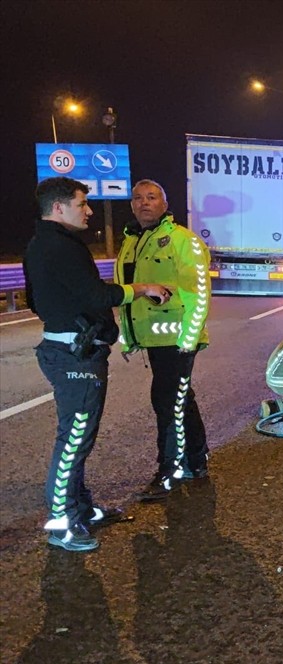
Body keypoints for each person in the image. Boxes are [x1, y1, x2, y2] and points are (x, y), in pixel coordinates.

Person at [24, 177, 172, 550]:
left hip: (69, 349)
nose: (88, 210)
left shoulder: (42, 244)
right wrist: (142, 288)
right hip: (75, 355)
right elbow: (95, 293)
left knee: (79, 438)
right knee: (74, 440)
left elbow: (35, 302)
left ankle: (81, 508)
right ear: (59, 208)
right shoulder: (60, 247)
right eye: (81, 204)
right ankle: (61, 524)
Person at [115, 179, 213, 500]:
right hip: (154, 340)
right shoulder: (131, 242)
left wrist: (189, 336)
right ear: (131, 205)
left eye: (152, 197)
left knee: (167, 400)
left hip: (178, 339)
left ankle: (169, 470)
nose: (144, 202)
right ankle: (197, 459)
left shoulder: (182, 241)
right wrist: (130, 338)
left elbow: (198, 294)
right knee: (181, 397)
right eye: (138, 198)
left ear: (164, 203)